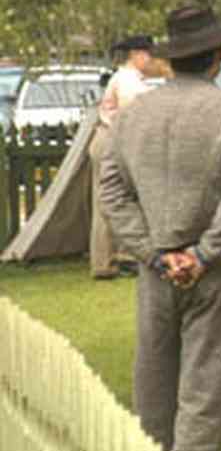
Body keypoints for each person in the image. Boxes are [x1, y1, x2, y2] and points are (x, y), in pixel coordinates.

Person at [98, 7, 221, 451]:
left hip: (156, 269)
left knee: (153, 392)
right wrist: (204, 252)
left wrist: (151, 252)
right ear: (216, 56)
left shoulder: (133, 116)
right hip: (213, 269)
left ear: (173, 59)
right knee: (203, 394)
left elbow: (111, 190)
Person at [89, 34, 156, 279]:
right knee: (110, 201)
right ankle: (106, 262)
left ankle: (122, 256)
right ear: (136, 54)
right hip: (114, 141)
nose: (151, 60)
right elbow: (132, 116)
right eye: (149, 54)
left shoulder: (129, 78)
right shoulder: (128, 80)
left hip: (114, 140)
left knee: (119, 199)